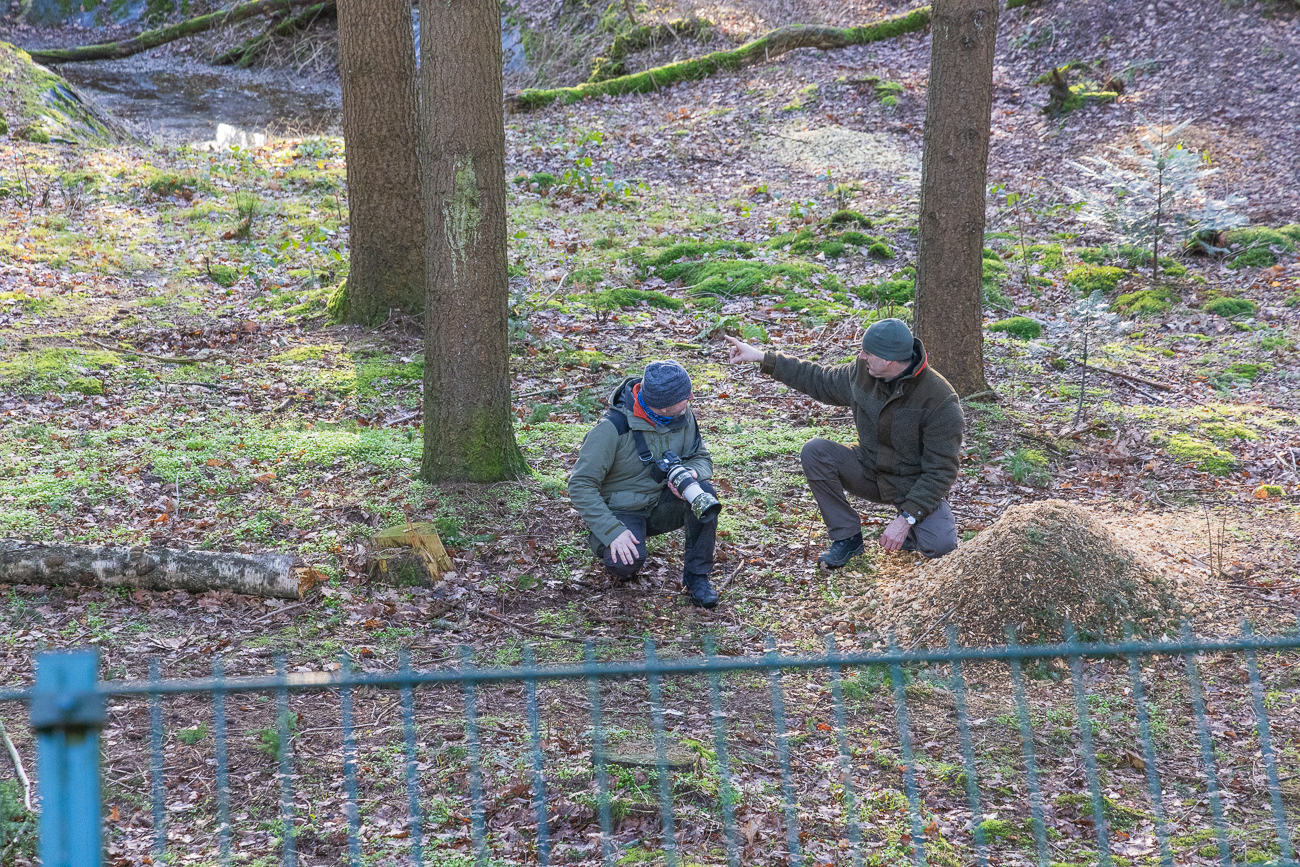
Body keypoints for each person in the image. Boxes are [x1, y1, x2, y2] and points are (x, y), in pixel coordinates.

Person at [725, 318, 963, 566]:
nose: (861, 356)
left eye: (868, 352)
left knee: (941, 546)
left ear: (889, 360)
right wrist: (762, 358)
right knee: (816, 452)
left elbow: (941, 470)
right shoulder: (862, 372)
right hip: (869, 471)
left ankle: (912, 533)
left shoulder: (940, 399)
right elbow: (819, 379)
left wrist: (907, 519)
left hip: (911, 484)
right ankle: (847, 538)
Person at [568, 360, 720, 608]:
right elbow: (580, 484)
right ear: (662, 406)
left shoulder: (682, 414)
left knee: (704, 495)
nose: (691, 398)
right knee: (624, 564)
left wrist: (692, 472)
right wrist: (612, 531)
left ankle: (697, 577)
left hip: (661, 501)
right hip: (622, 511)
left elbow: (701, 457)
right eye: (685, 396)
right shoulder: (611, 429)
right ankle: (605, 539)